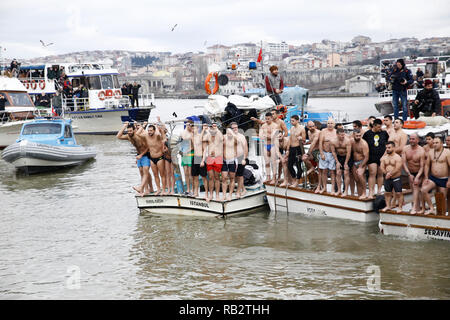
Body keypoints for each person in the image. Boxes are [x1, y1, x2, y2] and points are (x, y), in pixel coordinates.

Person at [117, 122, 151, 196]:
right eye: (128, 131)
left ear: (134, 130)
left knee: (145, 172)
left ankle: (141, 188)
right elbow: (118, 136)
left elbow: (148, 147)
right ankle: (145, 190)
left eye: (130, 131)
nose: (129, 132)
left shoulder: (140, 136)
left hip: (146, 155)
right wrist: (124, 126)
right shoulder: (129, 137)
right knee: (142, 173)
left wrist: (141, 155)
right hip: (139, 156)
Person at [421, 137, 450, 215]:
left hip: (444, 178)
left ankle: (443, 215)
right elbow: (427, 165)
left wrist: (449, 180)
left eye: (437, 143)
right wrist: (426, 177)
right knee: (424, 190)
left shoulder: (447, 152)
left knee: (442, 198)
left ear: (441, 143)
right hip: (433, 177)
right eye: (433, 143)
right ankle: (431, 208)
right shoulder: (430, 152)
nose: (435, 144)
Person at [363, 119, 389, 199]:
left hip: (382, 156)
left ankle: (379, 190)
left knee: (380, 174)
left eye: (381, 126)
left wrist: (385, 156)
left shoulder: (384, 133)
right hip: (371, 156)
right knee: (372, 173)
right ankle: (371, 191)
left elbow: (387, 144)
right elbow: (364, 145)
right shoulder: (367, 134)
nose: (380, 128)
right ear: (374, 126)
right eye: (378, 127)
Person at [139, 124, 167, 195]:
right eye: (148, 130)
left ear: (154, 131)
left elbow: (159, 134)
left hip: (159, 157)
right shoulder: (146, 136)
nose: (149, 132)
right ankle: (158, 189)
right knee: (155, 175)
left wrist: (156, 126)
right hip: (152, 158)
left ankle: (163, 190)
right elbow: (137, 133)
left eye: (151, 130)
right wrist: (143, 125)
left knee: (162, 174)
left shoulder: (157, 136)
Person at [402, 133, 425, 214]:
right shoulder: (405, 149)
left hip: (419, 173)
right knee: (414, 190)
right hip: (410, 172)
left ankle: (414, 208)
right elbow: (404, 163)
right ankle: (417, 208)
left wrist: (417, 177)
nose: (411, 140)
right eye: (410, 139)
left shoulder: (421, 150)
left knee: (416, 188)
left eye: (413, 139)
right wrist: (409, 174)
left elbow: (422, 166)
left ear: (417, 140)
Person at [380, 141, 404, 212]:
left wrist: (389, 174)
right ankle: (388, 206)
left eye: (389, 147)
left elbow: (397, 168)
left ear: (393, 148)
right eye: (386, 148)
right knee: (387, 193)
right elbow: (382, 167)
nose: (387, 149)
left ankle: (400, 207)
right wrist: (385, 173)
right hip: (387, 178)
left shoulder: (397, 157)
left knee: (398, 193)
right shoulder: (384, 158)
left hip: (396, 178)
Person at [317, 118, 337, 194]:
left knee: (332, 172)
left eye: (331, 123)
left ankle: (332, 188)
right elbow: (320, 143)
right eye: (328, 123)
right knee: (324, 171)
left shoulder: (336, 132)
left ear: (334, 124)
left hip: (333, 154)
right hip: (324, 153)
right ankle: (324, 187)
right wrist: (321, 153)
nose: (330, 125)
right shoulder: (323, 131)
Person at [331, 128, 352, 197]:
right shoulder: (333, 141)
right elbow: (333, 152)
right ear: (337, 134)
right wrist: (337, 162)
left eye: (343, 135)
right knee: (338, 173)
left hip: (347, 157)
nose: (342, 136)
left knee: (346, 173)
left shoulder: (347, 141)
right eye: (341, 135)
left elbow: (349, 153)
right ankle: (339, 190)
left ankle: (345, 191)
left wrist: (346, 163)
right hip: (339, 157)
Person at [259, 112, 279, 183]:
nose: (267, 120)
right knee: (267, 162)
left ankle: (274, 178)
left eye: (268, 119)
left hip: (273, 145)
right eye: (266, 119)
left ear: (271, 118)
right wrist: (267, 136)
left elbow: (272, 137)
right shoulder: (263, 126)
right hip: (265, 145)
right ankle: (268, 177)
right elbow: (260, 136)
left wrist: (266, 135)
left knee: (273, 162)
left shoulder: (275, 126)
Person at [205, 123, 223, 201]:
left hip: (218, 158)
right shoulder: (208, 136)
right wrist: (208, 129)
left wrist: (216, 128)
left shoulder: (219, 136)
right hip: (210, 158)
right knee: (211, 177)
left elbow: (222, 138)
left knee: (217, 178)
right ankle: (211, 194)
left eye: (215, 126)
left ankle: (217, 195)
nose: (213, 128)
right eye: (212, 126)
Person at [287, 115, 306, 187]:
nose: (291, 122)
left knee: (298, 166)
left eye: (293, 121)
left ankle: (297, 181)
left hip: (298, 148)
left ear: (297, 120)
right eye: (291, 121)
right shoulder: (291, 128)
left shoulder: (302, 129)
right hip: (292, 148)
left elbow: (304, 140)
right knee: (289, 165)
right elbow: (290, 139)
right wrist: (288, 149)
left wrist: (301, 138)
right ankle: (294, 179)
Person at [191, 123, 209, 199]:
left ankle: (206, 194)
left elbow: (205, 150)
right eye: (192, 129)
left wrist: (203, 160)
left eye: (194, 128)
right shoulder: (192, 137)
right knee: (195, 177)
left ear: (198, 129)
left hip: (201, 158)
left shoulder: (203, 137)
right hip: (195, 157)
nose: (192, 130)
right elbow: (194, 146)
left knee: (204, 177)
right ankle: (196, 192)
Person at [231, 122, 248, 198]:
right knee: (234, 175)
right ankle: (243, 189)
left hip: (241, 157)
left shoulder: (241, 136)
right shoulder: (229, 137)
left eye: (236, 127)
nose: (235, 129)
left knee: (240, 175)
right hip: (232, 158)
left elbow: (246, 149)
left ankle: (238, 191)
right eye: (233, 128)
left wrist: (244, 158)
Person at [221, 128, 239, 201]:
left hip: (232, 160)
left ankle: (230, 195)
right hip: (224, 160)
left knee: (232, 178)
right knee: (224, 178)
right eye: (227, 133)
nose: (229, 134)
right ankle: (224, 195)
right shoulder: (224, 138)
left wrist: (233, 134)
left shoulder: (235, 139)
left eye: (230, 133)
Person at [351, 129, 369, 199]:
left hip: (362, 162)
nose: (358, 137)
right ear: (353, 135)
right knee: (357, 179)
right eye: (357, 136)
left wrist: (361, 166)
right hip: (354, 162)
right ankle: (359, 194)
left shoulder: (364, 144)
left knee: (360, 175)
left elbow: (366, 157)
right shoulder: (352, 141)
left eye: (360, 135)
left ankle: (364, 192)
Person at [180, 120, 194, 195]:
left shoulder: (192, 133)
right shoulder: (182, 133)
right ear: (186, 124)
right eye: (189, 125)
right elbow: (180, 144)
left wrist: (188, 151)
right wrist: (180, 151)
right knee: (185, 173)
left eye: (191, 125)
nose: (190, 126)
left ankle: (192, 189)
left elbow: (194, 146)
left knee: (190, 172)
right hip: (184, 155)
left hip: (190, 154)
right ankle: (188, 189)